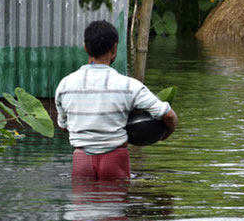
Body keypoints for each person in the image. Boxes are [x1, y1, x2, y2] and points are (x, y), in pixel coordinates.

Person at [55, 20, 178, 180]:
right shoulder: (129, 86)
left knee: (82, 204)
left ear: (85, 47)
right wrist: (164, 134)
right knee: (115, 202)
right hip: (115, 159)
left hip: (81, 161)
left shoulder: (65, 85)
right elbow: (168, 115)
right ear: (114, 48)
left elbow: (64, 127)